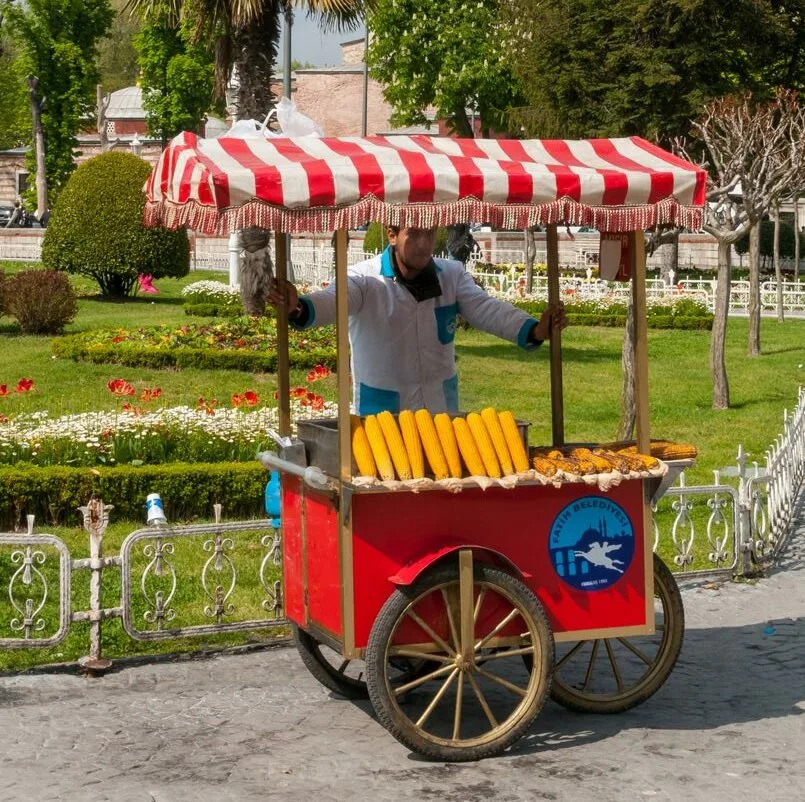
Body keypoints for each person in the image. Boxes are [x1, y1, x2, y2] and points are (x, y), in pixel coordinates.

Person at [267, 226, 567, 415]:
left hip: (440, 409)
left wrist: (535, 330)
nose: (424, 244)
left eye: (430, 234)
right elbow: (332, 300)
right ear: (392, 234)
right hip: (383, 414)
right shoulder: (363, 279)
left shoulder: (452, 274)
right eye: (414, 235)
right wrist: (298, 307)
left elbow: (486, 309)